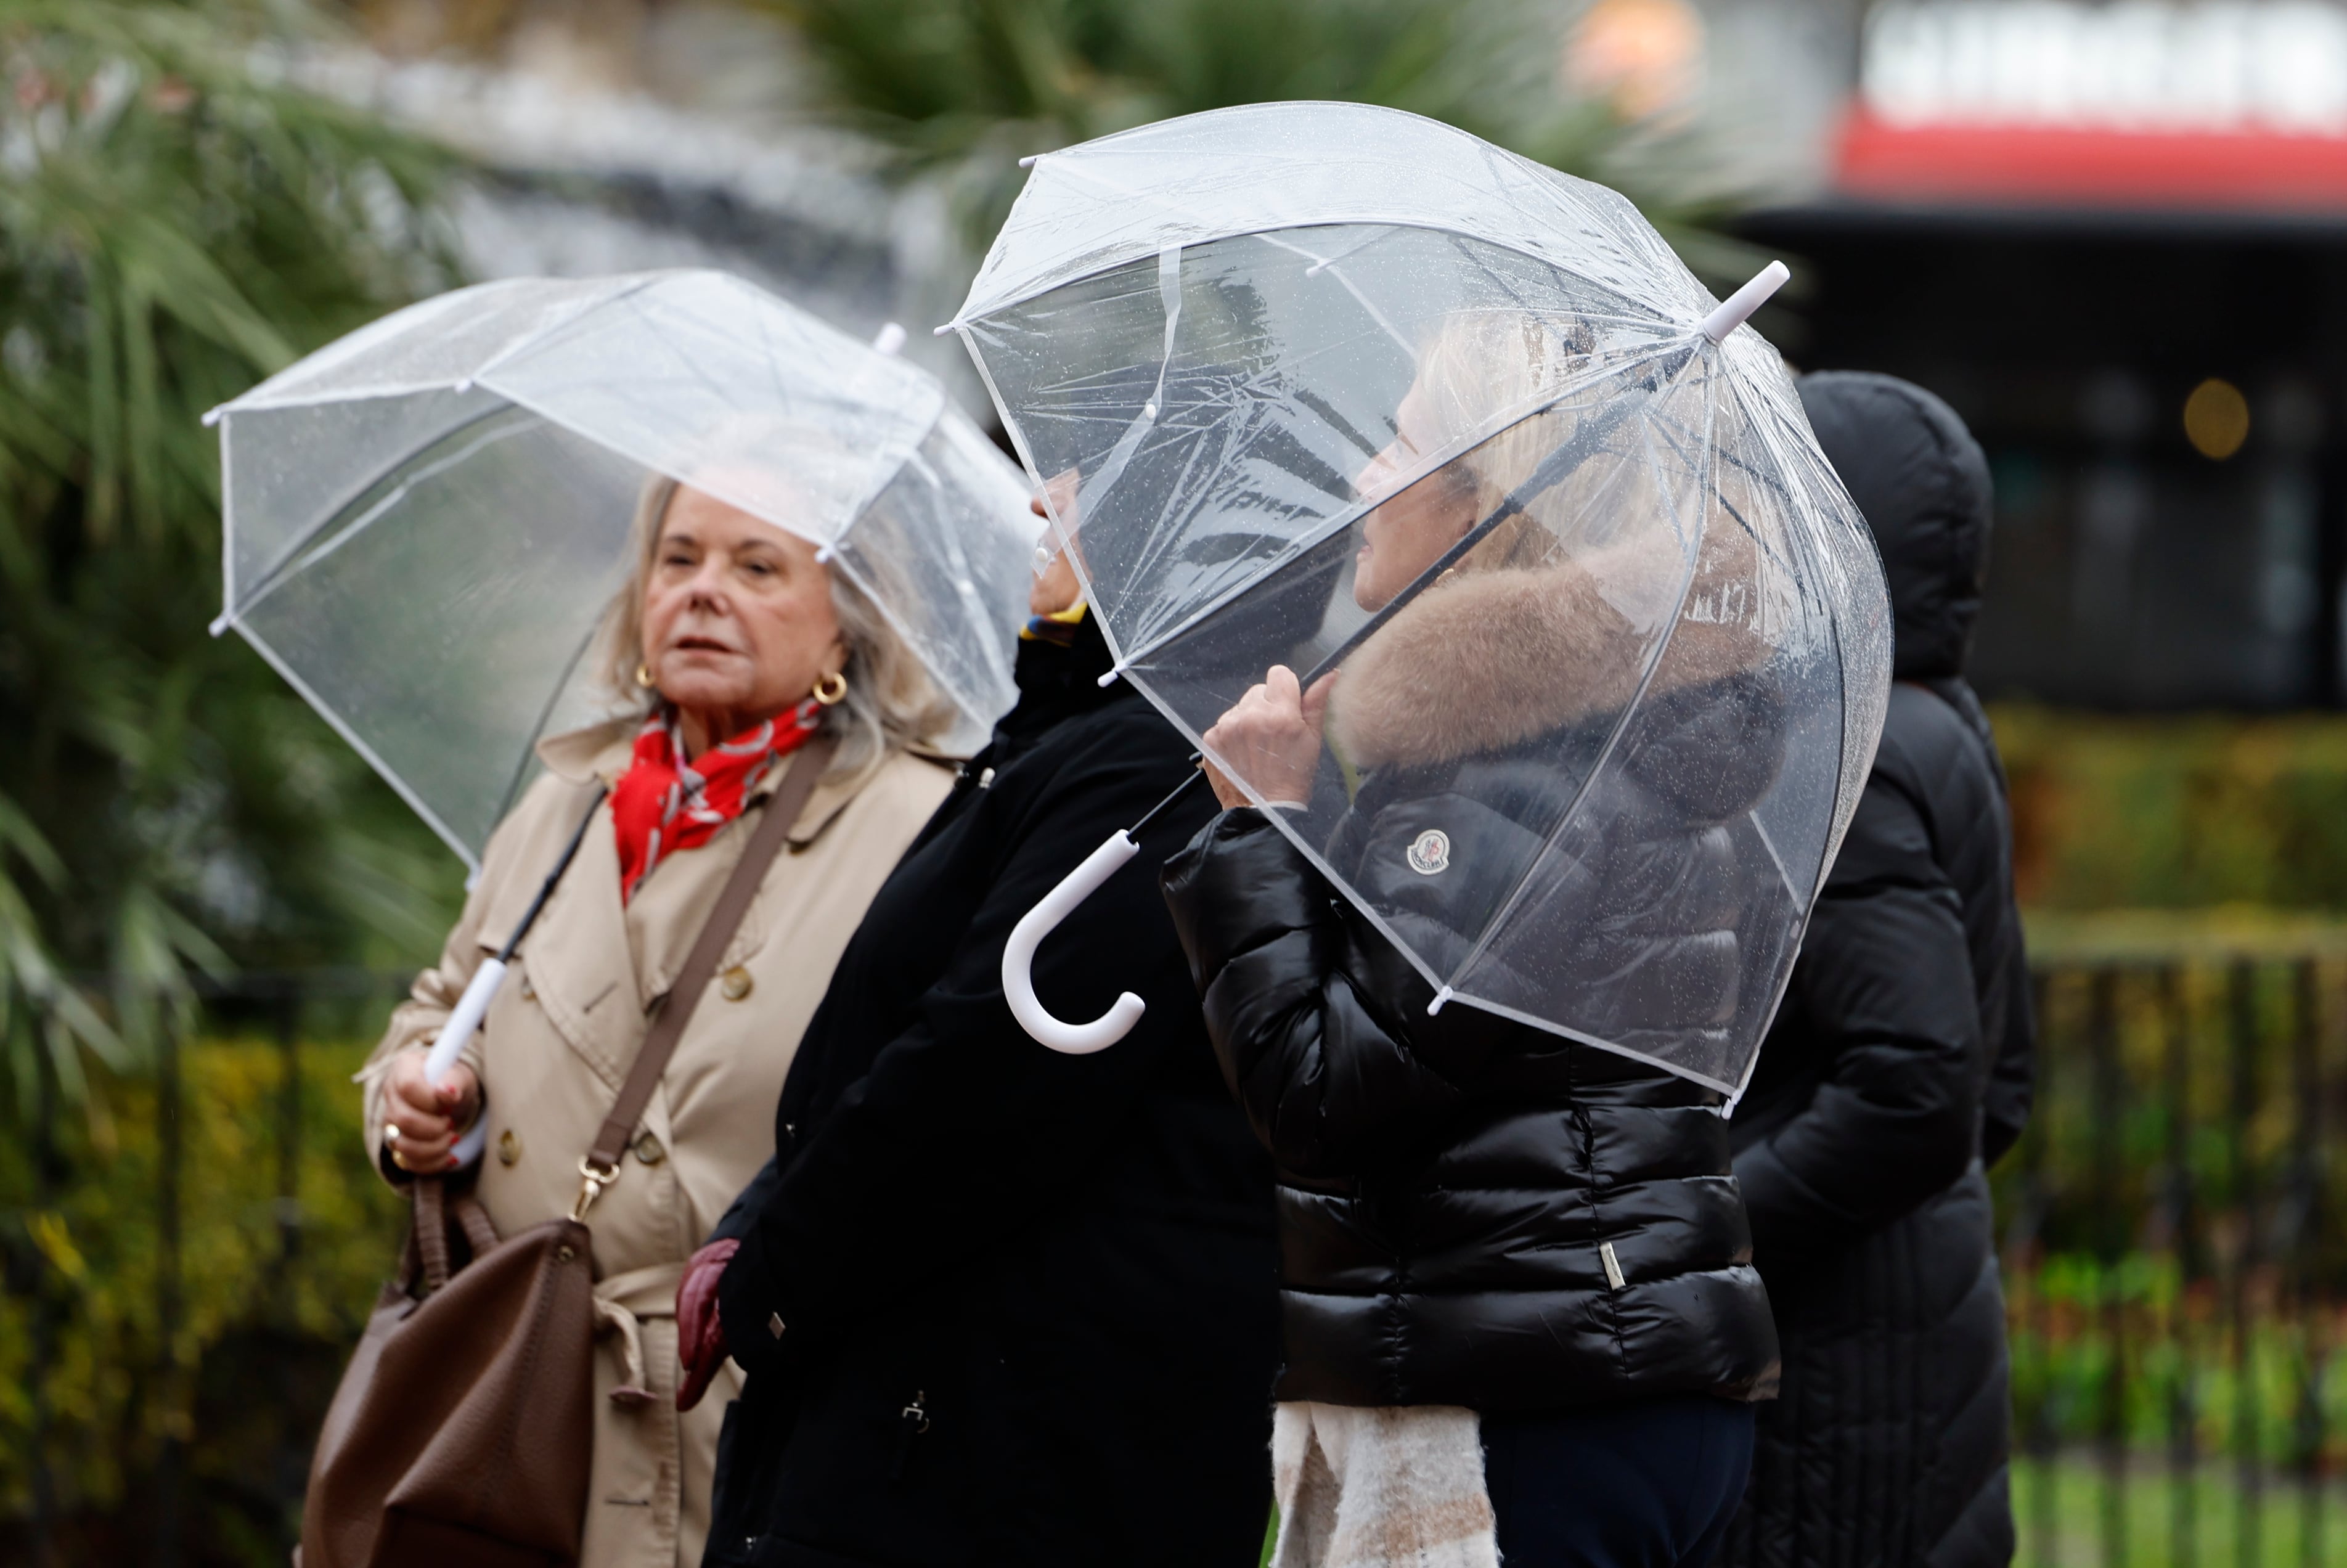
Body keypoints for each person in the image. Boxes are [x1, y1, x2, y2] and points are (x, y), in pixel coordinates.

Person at [1157, 314, 1784, 1568]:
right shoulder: (1564, 738)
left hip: (1530, 1402)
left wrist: (1260, 831)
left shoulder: (1516, 766)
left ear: (1488, 499)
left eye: (1394, 445)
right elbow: (1445, 1036)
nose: (1359, 482)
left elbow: (1327, 1092)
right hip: (1588, 1376)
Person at [359, 473, 963, 1568]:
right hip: (514, 1408)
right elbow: (444, 1004)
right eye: (678, 559)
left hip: (753, 1414)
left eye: (758, 566)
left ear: (851, 617)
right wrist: (410, 1098)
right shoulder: (566, 800)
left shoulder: (921, 819)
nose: (702, 592)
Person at [688, 506, 1282, 1567]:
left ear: (1168, 511)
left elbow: (977, 1078)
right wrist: (762, 1216)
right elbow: (878, 1039)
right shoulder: (1066, 733)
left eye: (1081, 473)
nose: (1042, 501)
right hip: (940, 1421)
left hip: (1000, 1452)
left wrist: (769, 1282)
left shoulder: (1157, 760)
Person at [1718, 371, 2032, 1568]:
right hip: (1908, 1337)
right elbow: (1992, 1090)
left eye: (1752, 488)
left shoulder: (1842, 746)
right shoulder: (1935, 722)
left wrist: (1692, 1231)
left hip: (1831, 1381)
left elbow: (1916, 1085)